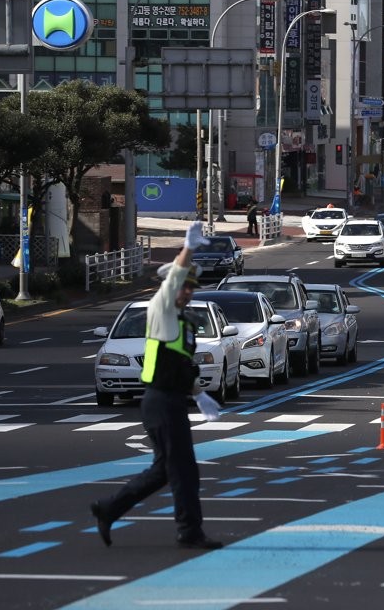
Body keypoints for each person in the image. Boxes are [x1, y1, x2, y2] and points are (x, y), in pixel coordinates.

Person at [90, 221, 223, 550]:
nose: (187, 291)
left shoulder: (184, 323)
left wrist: (200, 394)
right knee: (184, 472)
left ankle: (109, 508)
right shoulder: (160, 310)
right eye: (183, 287)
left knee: (165, 470)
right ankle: (189, 531)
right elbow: (173, 280)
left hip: (172, 400)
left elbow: (178, 366)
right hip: (160, 402)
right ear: (170, 287)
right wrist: (188, 248)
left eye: (192, 288)